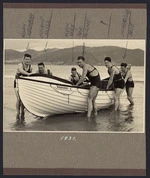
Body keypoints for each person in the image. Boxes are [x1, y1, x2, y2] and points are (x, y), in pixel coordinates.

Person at [14, 53, 33, 118]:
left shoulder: (31, 67)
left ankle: (22, 112)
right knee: (19, 99)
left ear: (30, 60)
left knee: (23, 99)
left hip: (25, 84)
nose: (27, 61)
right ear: (24, 59)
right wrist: (28, 74)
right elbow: (21, 71)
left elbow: (31, 77)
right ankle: (17, 112)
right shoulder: (20, 65)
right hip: (17, 83)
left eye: (29, 59)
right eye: (26, 59)